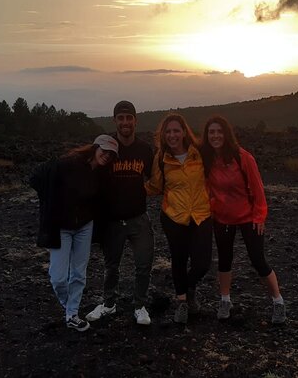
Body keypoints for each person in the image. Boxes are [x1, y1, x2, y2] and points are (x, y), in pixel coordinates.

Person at [200, 115, 286, 324]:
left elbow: (257, 189)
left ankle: (278, 301)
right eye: (211, 132)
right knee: (225, 259)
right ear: (207, 136)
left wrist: (259, 215)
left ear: (226, 134)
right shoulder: (207, 159)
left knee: (257, 259)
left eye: (219, 131)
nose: (215, 136)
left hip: (248, 217)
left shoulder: (242, 157)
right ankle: (225, 300)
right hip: (222, 218)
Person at [30, 134, 119, 332]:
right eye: (104, 150)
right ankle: (67, 305)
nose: (107, 156)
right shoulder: (69, 163)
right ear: (95, 147)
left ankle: (72, 314)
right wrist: (49, 204)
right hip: (61, 227)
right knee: (58, 277)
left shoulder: (102, 175)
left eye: (111, 154)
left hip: (84, 227)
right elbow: (37, 177)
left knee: (79, 273)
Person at [86, 101, 155, 325]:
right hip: (113, 220)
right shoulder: (107, 146)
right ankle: (108, 304)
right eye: (121, 118)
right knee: (111, 265)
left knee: (143, 264)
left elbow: (156, 178)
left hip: (138, 217)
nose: (125, 122)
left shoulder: (144, 150)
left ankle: (140, 306)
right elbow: (90, 170)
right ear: (114, 120)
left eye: (129, 118)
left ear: (136, 120)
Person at [146, 113, 212, 324]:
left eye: (176, 130)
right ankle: (183, 302)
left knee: (202, 263)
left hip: (201, 215)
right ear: (163, 135)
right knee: (179, 261)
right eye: (168, 132)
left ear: (184, 132)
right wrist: (129, 187)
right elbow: (155, 187)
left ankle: (189, 289)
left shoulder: (199, 153)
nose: (172, 135)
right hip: (174, 217)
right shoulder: (161, 158)